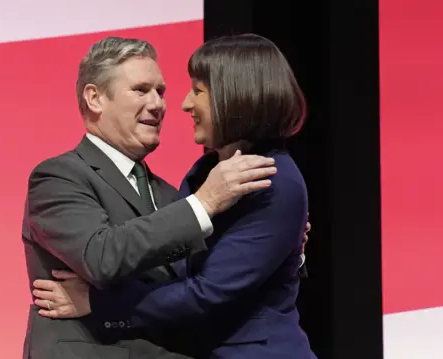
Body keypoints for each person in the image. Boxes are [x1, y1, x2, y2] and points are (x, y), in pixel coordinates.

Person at [31, 34, 317, 359]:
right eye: (141, 90)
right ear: (95, 98)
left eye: (161, 91)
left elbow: (204, 287)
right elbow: (101, 256)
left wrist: (286, 252)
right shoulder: (60, 176)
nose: (165, 105)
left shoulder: (207, 188)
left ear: (236, 95)